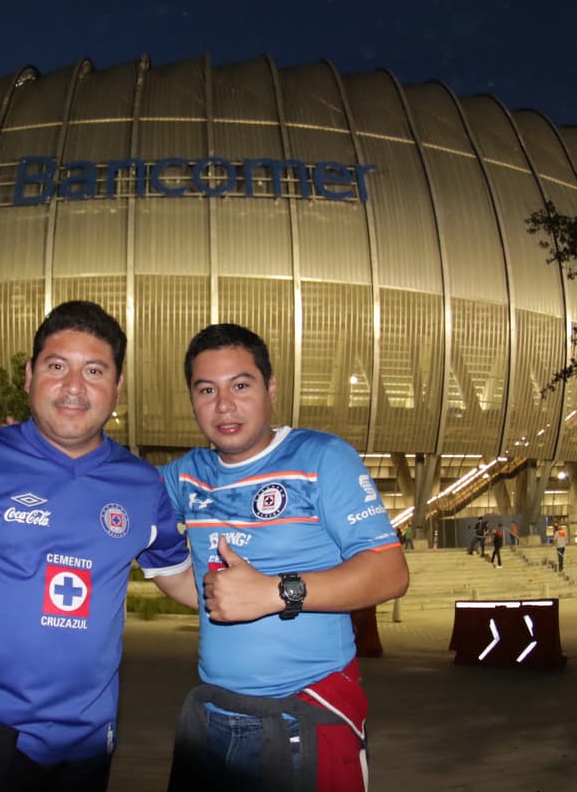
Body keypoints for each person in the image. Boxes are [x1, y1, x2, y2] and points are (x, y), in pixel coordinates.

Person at [0, 301, 193, 792]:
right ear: (28, 375)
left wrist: (278, 587)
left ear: (118, 386)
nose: (74, 386)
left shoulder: (142, 485)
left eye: (94, 370)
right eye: (56, 366)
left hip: (86, 749)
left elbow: (180, 577)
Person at [161, 323, 409, 792]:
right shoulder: (186, 476)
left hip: (305, 717)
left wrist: (276, 592)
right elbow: (111, 497)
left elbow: (390, 572)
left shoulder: (322, 457)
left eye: (241, 385)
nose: (224, 405)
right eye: (206, 390)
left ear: (271, 388)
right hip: (215, 718)